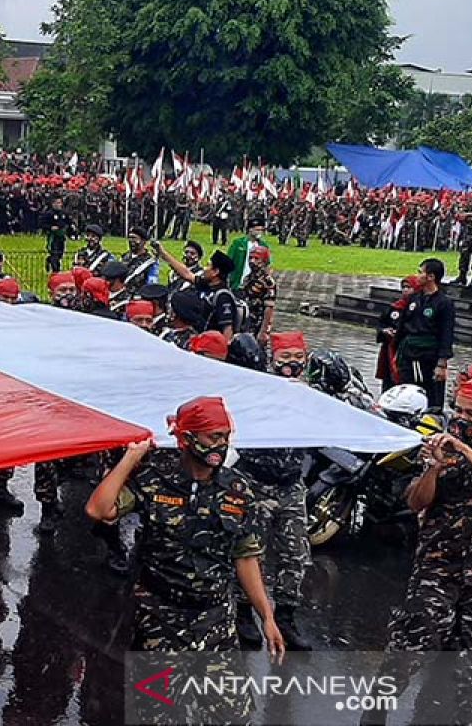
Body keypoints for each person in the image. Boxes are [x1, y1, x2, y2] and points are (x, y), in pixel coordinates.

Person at [84, 399, 283, 720]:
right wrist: (131, 458)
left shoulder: (237, 490)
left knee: (233, 715)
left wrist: (267, 616)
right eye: (212, 437)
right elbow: (98, 509)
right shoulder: (152, 480)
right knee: (158, 715)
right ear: (186, 438)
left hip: (215, 623)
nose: (220, 445)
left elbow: (245, 557)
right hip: (160, 623)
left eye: (225, 436)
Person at [369, 375, 472, 725]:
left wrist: (465, 451)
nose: (461, 418)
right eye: (458, 409)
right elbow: (416, 502)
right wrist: (435, 466)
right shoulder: (441, 444)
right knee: (408, 652)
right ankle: (375, 712)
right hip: (437, 570)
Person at [233, 331, 313, 651]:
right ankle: (243, 612)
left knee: (295, 554)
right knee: (252, 550)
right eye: (285, 358)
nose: (291, 365)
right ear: (272, 359)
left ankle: (287, 617)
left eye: (297, 358)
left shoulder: (310, 393)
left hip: (291, 484)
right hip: (255, 481)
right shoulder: (257, 389)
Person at [396, 258, 455, 408]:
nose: (417, 276)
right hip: (408, 352)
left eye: (420, 272)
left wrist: (442, 363)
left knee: (429, 393)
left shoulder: (444, 303)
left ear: (431, 276)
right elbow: (403, 325)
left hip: (427, 356)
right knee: (406, 391)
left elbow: (446, 334)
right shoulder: (414, 299)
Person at [155, 242, 241, 340]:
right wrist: (163, 253)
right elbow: (186, 274)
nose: (205, 269)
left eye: (208, 266)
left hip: (210, 343)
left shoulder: (223, 296)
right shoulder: (206, 285)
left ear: (215, 272)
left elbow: (227, 329)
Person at [376, 276, 421, 392]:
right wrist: (384, 331)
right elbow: (381, 323)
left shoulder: (419, 308)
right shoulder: (394, 307)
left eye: (409, 287)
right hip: (389, 349)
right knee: (388, 379)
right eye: (403, 287)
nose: (405, 290)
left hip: (406, 350)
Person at [238, 245, 276, 346]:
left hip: (257, 323)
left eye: (256, 258)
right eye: (250, 258)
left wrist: (263, 331)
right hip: (245, 320)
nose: (252, 261)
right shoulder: (248, 278)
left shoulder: (267, 281)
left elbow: (269, 308)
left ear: (264, 261)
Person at [226, 218, 267, 290]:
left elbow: (267, 263)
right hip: (237, 283)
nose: (260, 232)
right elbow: (228, 260)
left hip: (255, 285)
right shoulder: (238, 243)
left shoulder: (263, 246)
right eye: (257, 230)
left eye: (261, 230)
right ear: (250, 230)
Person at [40, 196, 69, 273]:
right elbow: (42, 224)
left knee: (60, 254)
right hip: (53, 237)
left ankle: (49, 259)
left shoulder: (63, 213)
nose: (58, 205)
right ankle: (56, 271)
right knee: (54, 254)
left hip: (61, 237)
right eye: (57, 203)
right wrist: (50, 227)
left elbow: (68, 222)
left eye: (60, 203)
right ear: (53, 204)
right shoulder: (48, 214)